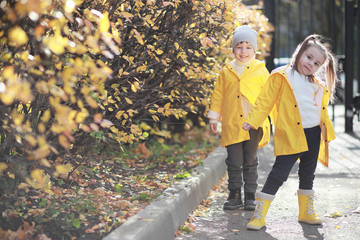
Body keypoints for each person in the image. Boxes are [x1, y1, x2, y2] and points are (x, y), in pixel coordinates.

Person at [242, 34, 337, 230]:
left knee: (308, 174)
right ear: (299, 52)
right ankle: (259, 214)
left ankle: (305, 212)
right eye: (309, 57)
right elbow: (264, 101)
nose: (311, 64)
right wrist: (252, 121)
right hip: (292, 134)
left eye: (316, 63)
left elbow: (319, 110)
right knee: (279, 173)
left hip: (313, 134)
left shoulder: (316, 85)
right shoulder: (282, 76)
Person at [207, 25, 272, 211]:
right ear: (233, 48)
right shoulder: (227, 71)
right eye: (239, 47)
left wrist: (268, 120)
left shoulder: (260, 70)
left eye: (248, 47)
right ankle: (234, 194)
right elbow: (218, 95)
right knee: (234, 161)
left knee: (251, 161)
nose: (243, 51)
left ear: (254, 49)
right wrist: (214, 118)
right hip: (233, 123)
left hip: (253, 124)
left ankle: (251, 195)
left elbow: (268, 96)